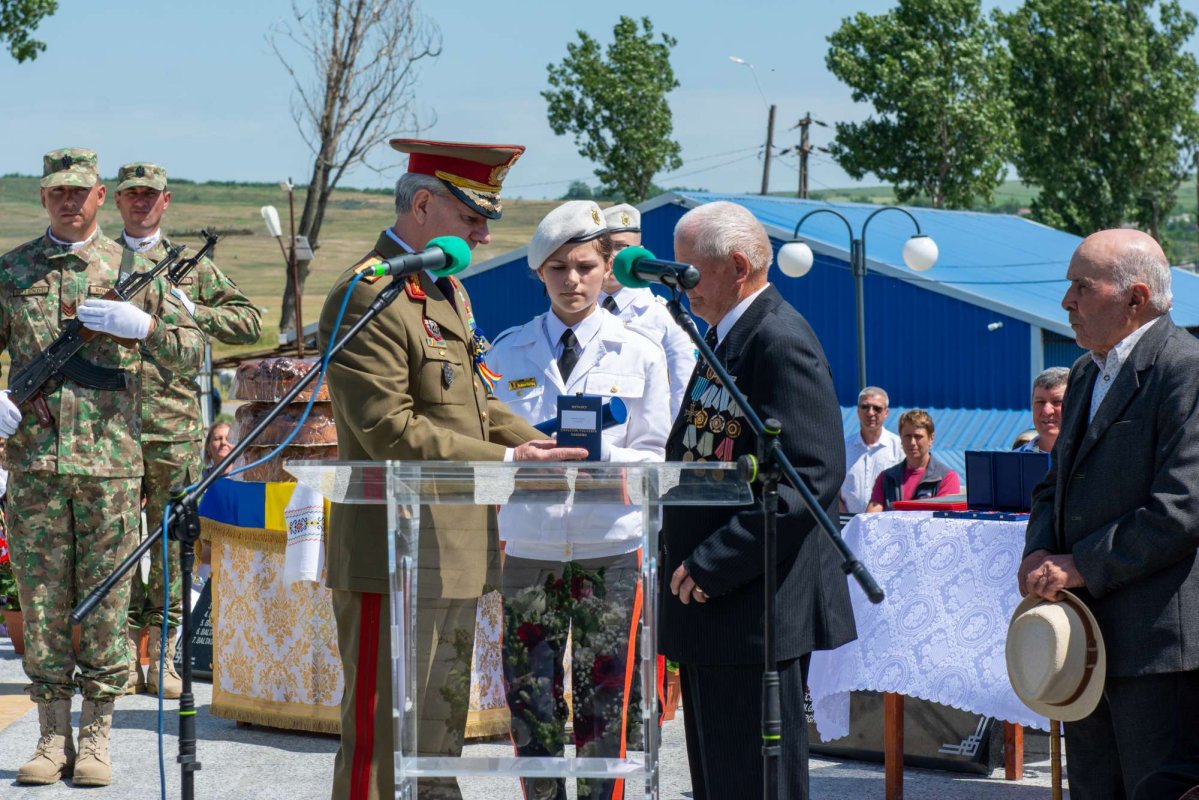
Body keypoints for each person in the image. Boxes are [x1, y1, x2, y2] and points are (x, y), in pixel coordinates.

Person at [317, 139, 588, 800]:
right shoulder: (370, 294)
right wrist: (504, 459)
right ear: (421, 204)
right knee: (384, 740)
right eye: (471, 217)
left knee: (436, 736)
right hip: (391, 549)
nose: (484, 232)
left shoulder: (447, 295)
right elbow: (386, 426)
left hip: (453, 546)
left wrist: (535, 445)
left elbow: (477, 400)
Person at [0, 148, 202, 786]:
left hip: (112, 468)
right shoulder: (13, 271)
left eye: (79, 191)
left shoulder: (136, 267)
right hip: (34, 468)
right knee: (42, 603)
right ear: (44, 196)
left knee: (109, 604)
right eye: (57, 190)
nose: (68, 200)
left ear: (98, 197)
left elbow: (191, 350)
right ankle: (51, 737)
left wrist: (144, 325)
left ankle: (96, 741)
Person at [659, 201, 856, 800]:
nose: (680, 282)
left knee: (753, 781)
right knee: (720, 779)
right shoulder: (726, 334)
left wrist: (713, 562)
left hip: (748, 601)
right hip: (712, 606)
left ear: (737, 265)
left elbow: (809, 478)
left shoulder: (777, 339)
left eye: (689, 270)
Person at [487, 200, 670, 800]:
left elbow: (658, 455)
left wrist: (601, 458)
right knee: (530, 697)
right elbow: (487, 446)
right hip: (531, 546)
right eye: (559, 267)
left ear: (607, 268)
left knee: (605, 699)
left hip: (609, 547)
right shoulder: (506, 354)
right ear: (539, 272)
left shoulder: (640, 351)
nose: (574, 280)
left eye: (586, 266)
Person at [1018, 229, 1199, 800]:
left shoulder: (1183, 368)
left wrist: (1081, 565)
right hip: (1084, 642)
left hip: (1155, 648)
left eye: (1081, 287)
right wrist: (1040, 551)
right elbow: (1055, 483)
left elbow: (1182, 506)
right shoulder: (1089, 370)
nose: (1067, 302)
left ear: (1135, 298)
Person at [114, 161, 262, 699]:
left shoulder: (187, 266)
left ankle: (167, 657)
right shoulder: (104, 261)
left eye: (150, 195)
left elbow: (249, 320)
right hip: (109, 427)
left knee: (174, 544)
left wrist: (191, 309)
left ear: (166, 200)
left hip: (174, 426)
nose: (141, 202)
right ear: (116, 200)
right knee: (121, 545)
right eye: (131, 194)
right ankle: (127, 658)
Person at [597, 203, 696, 417]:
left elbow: (683, 390)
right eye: (607, 247)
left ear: (640, 254)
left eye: (622, 248)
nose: (613, 256)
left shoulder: (665, 318)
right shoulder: (580, 309)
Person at [865, 409, 960, 512]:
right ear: (900, 438)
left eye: (918, 436)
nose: (912, 442)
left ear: (931, 438)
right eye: (907, 436)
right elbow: (870, 519)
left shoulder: (946, 478)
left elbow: (943, 522)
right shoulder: (886, 479)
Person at [839, 386, 904, 514]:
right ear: (858, 410)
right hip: (848, 525)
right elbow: (835, 491)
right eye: (865, 407)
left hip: (886, 525)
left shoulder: (900, 448)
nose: (870, 413)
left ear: (886, 412)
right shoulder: (843, 448)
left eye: (877, 408)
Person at [1016, 367, 1068, 455]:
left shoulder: (1094, 461)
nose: (1047, 411)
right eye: (1040, 402)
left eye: (1057, 402)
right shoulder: (1013, 462)